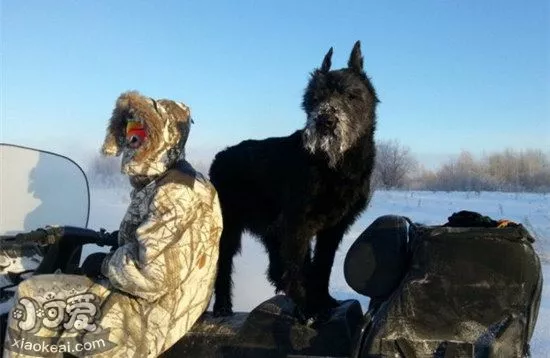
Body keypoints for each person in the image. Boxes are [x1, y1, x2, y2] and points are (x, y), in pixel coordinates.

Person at [3, 91, 223, 357]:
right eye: (130, 132)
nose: (132, 142)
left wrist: (105, 263)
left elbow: (151, 274)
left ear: (165, 139)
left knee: (32, 297)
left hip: (155, 310)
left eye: (141, 135)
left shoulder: (175, 192)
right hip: (162, 298)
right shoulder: (172, 181)